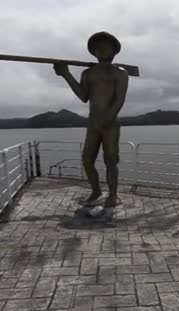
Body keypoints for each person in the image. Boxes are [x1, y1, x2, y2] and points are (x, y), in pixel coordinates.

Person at [53, 31, 129, 207]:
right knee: (87, 160)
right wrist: (66, 74)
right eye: (97, 46)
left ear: (114, 50)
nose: (101, 48)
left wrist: (109, 116)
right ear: (93, 51)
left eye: (105, 45)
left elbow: (120, 98)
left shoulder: (120, 72)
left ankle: (113, 194)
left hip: (111, 124)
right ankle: (96, 190)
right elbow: (83, 96)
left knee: (111, 160)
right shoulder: (88, 73)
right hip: (93, 123)